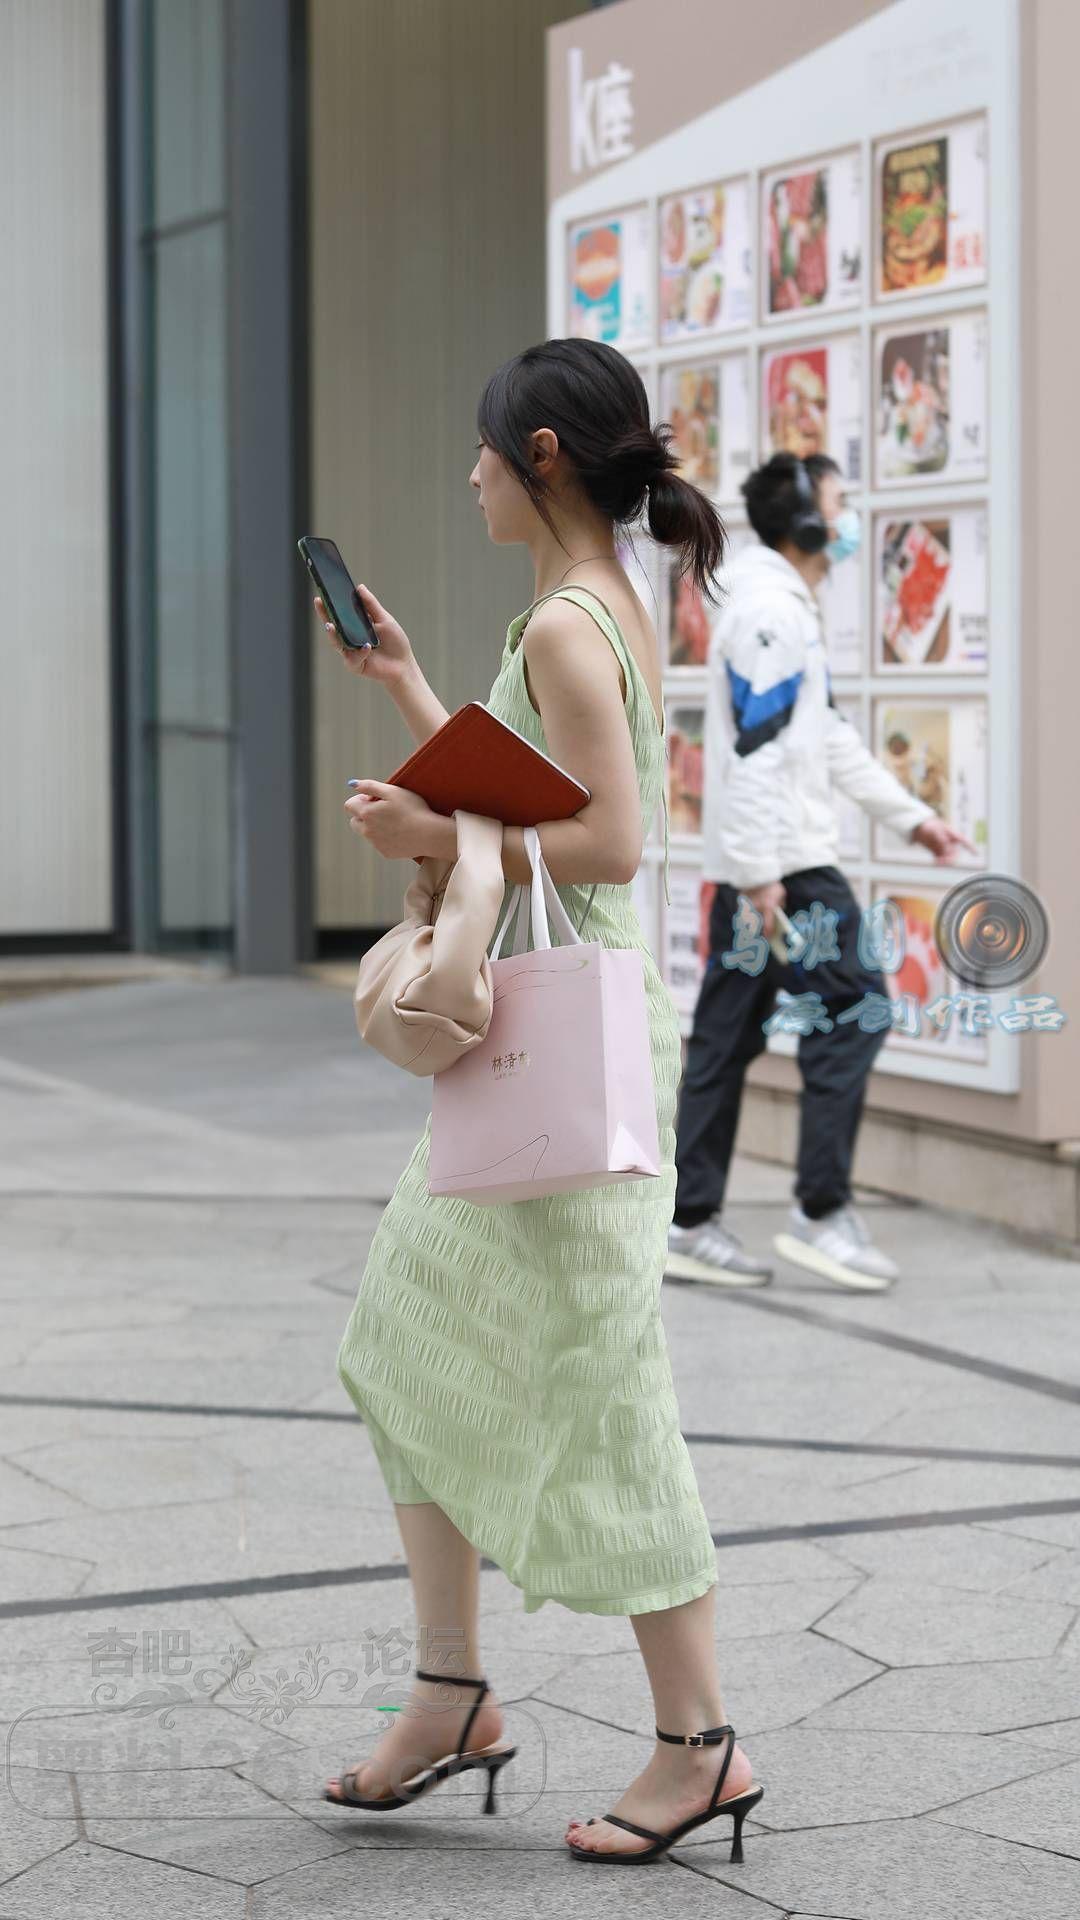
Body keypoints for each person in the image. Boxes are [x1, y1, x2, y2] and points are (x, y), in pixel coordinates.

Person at [314, 339, 764, 1863]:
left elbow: (610, 841)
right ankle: (452, 1693)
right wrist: (407, 684)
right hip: (572, 1032)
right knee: (402, 1341)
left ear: (545, 458)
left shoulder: (574, 622)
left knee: (606, 1389)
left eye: (485, 453)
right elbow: (539, 794)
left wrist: (431, 832)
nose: (471, 476)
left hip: (573, 1047)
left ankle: (699, 1746)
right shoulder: (588, 602)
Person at [667, 452, 976, 1292]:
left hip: (763, 867)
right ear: (804, 519)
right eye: (838, 505)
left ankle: (688, 1222)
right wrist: (761, 877)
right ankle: (821, 1211)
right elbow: (757, 751)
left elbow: (825, 737)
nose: (846, 521)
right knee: (854, 1010)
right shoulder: (772, 611)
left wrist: (914, 821)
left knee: (726, 1040)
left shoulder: (779, 605)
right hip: (788, 869)